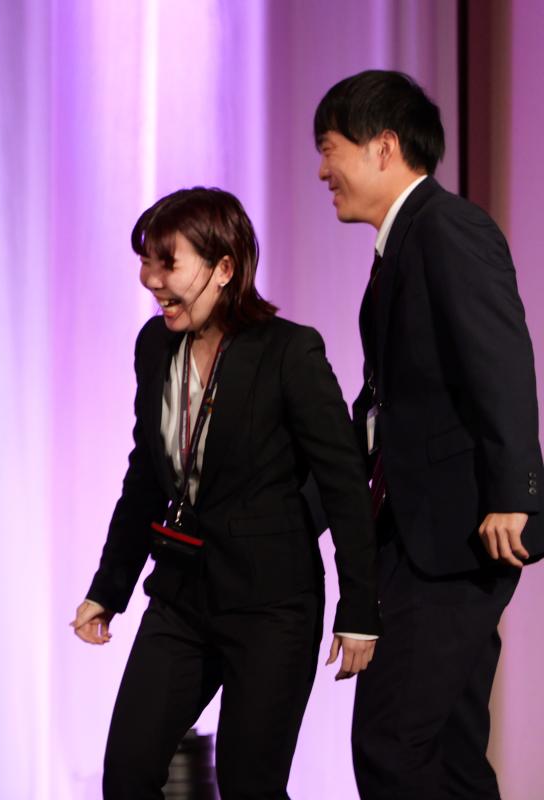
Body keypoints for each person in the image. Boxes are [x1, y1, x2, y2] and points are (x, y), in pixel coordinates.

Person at [71, 187, 380, 799]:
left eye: (167, 262)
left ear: (224, 268)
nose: (150, 279)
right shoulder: (155, 347)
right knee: (127, 775)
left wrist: (359, 609)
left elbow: (344, 483)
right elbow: (145, 475)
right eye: (145, 262)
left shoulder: (289, 351)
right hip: (182, 597)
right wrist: (108, 588)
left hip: (272, 606)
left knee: (248, 787)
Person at [314, 70, 543, 799]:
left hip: (454, 536)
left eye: (330, 149)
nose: (321, 171)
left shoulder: (446, 227)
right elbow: (379, 409)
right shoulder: (402, 246)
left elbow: (501, 359)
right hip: (423, 538)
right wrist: (305, 505)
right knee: (449, 753)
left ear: (383, 147)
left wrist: (516, 493)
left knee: (391, 742)